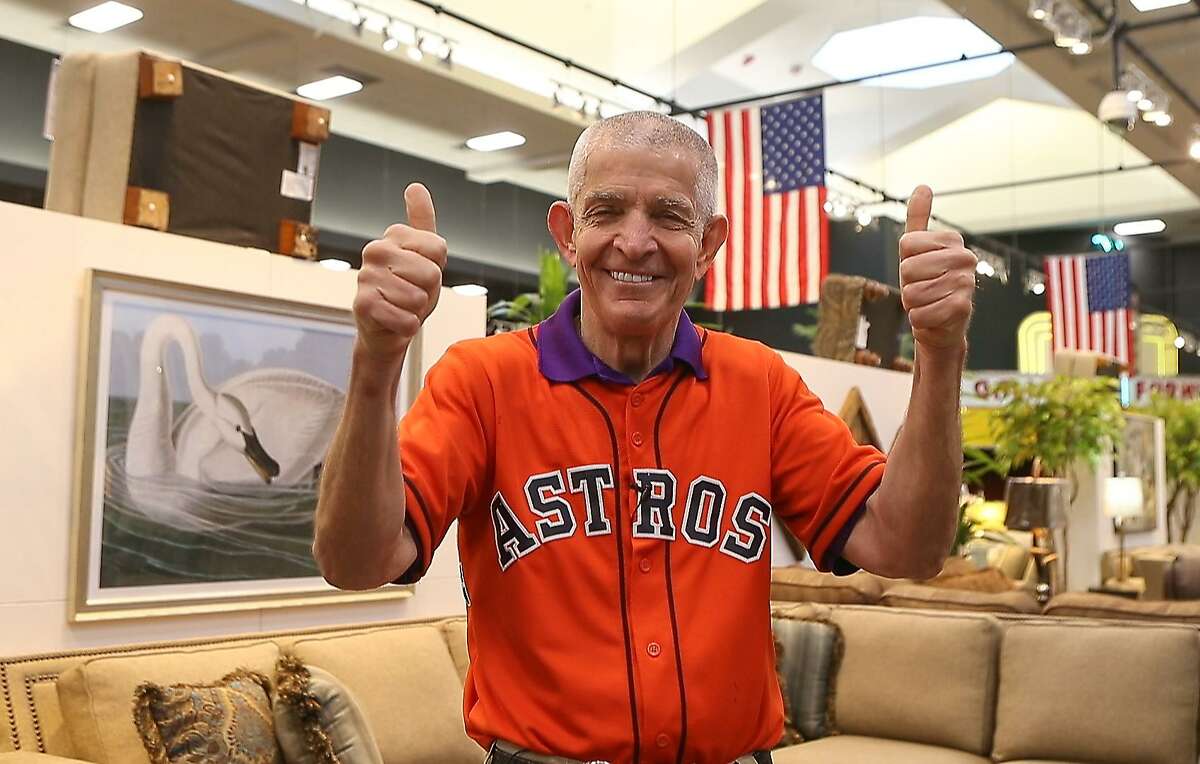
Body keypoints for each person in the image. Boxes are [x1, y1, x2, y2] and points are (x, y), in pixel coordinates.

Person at [314, 111, 975, 764]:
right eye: (605, 212)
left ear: (709, 246)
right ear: (568, 235)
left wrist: (940, 352)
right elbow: (355, 560)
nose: (634, 242)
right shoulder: (483, 381)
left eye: (667, 215)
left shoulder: (759, 386)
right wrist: (377, 359)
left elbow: (907, 546)